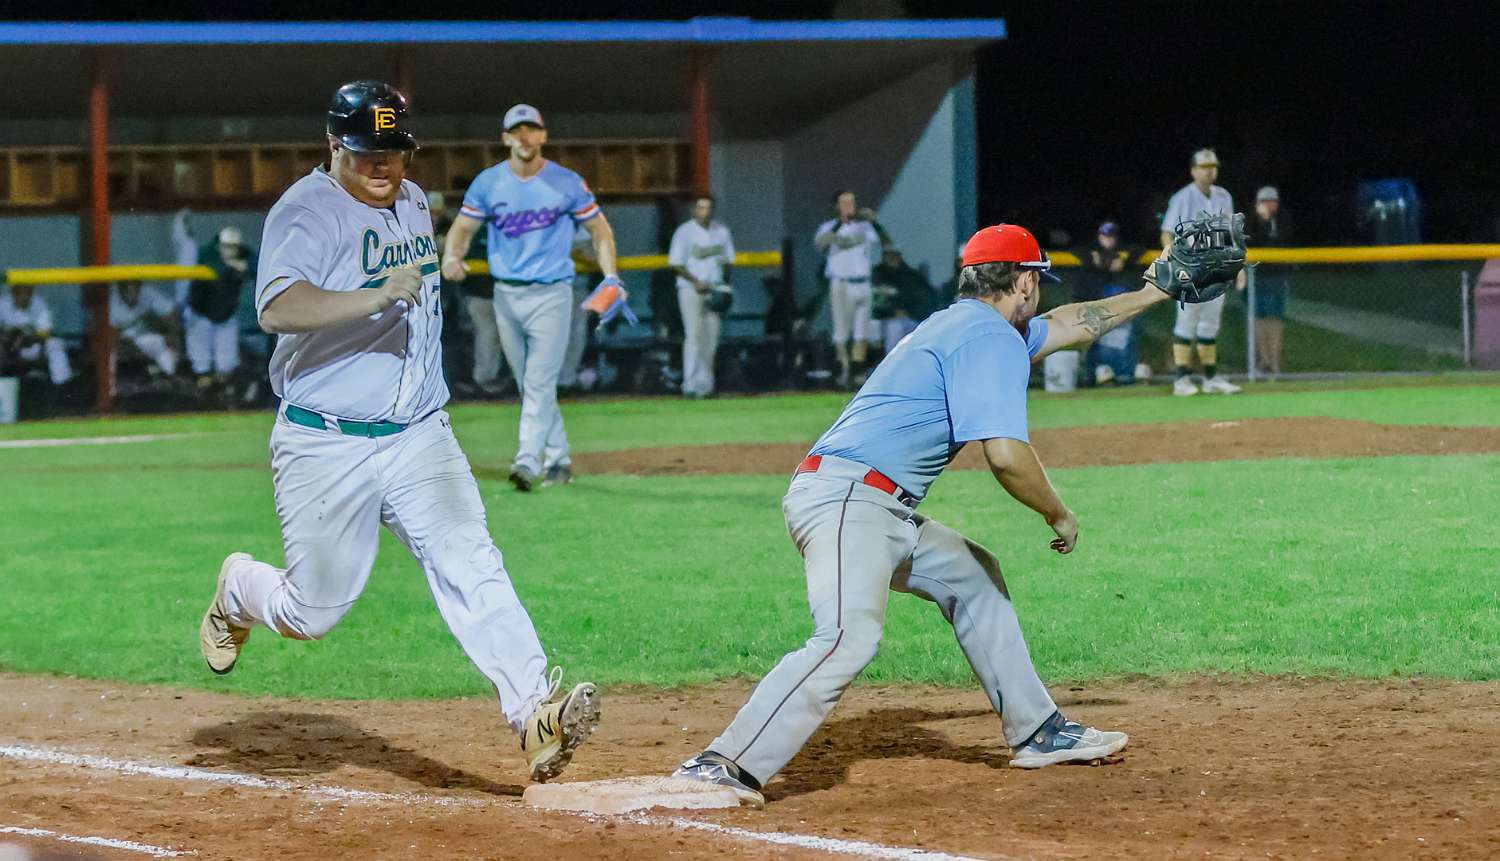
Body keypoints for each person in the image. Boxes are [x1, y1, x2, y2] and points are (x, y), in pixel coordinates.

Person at [672, 223, 1217, 805]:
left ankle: (1038, 730)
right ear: (1024, 281)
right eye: (1038, 281)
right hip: (850, 500)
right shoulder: (990, 337)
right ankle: (724, 762)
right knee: (847, 636)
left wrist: (1154, 291)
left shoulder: (964, 324)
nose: (1041, 295)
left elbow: (1072, 323)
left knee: (973, 574)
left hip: (870, 503)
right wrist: (1058, 513)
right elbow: (1005, 456)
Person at [197, 81, 599, 783]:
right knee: (312, 611)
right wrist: (373, 296)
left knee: (471, 560)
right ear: (333, 144)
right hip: (327, 442)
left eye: (393, 149)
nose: (381, 164)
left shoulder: (412, 199)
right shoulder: (305, 210)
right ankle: (238, 588)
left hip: (419, 433)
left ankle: (535, 710)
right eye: (365, 151)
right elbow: (277, 306)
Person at [442, 104, 620, 491]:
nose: (524, 137)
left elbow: (600, 230)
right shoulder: (489, 183)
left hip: (552, 292)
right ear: (506, 138)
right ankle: (559, 458)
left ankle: (527, 459)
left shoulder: (566, 182)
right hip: (506, 293)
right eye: (516, 130)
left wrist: (610, 275)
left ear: (543, 135)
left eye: (531, 129)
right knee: (529, 382)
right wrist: (452, 256)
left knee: (538, 380)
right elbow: (462, 228)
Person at [1160, 149, 1245, 396]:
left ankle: (1210, 379)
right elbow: (1167, 232)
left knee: (1210, 324)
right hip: (1190, 267)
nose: (1209, 171)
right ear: (1193, 171)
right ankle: (1181, 380)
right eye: (1204, 167)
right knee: (1186, 323)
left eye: (1213, 166)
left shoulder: (1223, 196)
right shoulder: (1182, 197)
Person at [814, 191, 889, 388]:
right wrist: (840, 223)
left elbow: (885, 242)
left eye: (852, 202)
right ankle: (843, 370)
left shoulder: (864, 227)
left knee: (861, 332)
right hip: (842, 283)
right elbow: (821, 244)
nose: (850, 206)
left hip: (863, 282)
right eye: (844, 203)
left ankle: (857, 373)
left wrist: (873, 221)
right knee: (841, 331)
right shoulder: (829, 227)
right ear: (836, 206)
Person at [175, 216, 257, 393]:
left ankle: (222, 393)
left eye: (234, 247)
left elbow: (257, 265)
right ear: (219, 244)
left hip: (226, 313)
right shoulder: (207, 252)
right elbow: (216, 267)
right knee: (201, 363)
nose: (230, 250)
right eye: (226, 246)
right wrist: (233, 266)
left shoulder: (244, 254)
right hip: (200, 312)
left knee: (226, 363)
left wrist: (243, 266)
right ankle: (202, 394)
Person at [669, 194, 736, 399]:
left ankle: (706, 386)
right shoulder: (684, 232)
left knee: (711, 338)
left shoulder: (721, 231)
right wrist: (696, 281)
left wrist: (724, 286)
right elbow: (676, 263)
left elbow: (728, 261)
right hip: (690, 289)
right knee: (693, 335)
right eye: (700, 207)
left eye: (708, 207)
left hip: (714, 289)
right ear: (693, 210)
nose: (705, 211)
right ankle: (690, 385)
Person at [1250, 186, 1293, 376]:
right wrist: (1263, 221)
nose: (1269, 205)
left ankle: (1274, 362)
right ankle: (1263, 360)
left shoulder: (1284, 218)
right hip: (1257, 276)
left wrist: (1270, 222)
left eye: (1272, 201)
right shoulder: (1252, 221)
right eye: (1265, 201)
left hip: (1278, 275)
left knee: (1275, 318)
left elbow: (1285, 240)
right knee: (1260, 318)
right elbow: (1252, 242)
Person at [0, 284, 73, 385]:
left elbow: (45, 332)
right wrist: (10, 337)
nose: (23, 296)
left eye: (27, 291)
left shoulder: (39, 303)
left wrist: (27, 338)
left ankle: (63, 384)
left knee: (55, 344)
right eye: (19, 292)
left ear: (32, 291)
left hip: (33, 345)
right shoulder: (3, 303)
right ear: (13, 292)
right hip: (10, 347)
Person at [108, 280, 180, 381]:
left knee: (165, 353)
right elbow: (108, 335)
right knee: (111, 357)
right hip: (120, 342)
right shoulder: (110, 300)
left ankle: (166, 378)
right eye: (126, 288)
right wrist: (125, 345)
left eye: (134, 288)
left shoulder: (147, 291)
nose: (131, 291)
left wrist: (173, 338)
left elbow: (170, 313)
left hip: (144, 338)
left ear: (139, 286)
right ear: (120, 288)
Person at [870, 246, 935, 355]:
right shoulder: (878, 275)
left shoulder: (911, 275)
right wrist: (892, 313)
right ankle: (891, 361)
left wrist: (909, 313)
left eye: (895, 255)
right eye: (889, 255)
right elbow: (877, 305)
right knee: (895, 328)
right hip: (885, 319)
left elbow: (924, 301)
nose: (892, 258)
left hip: (912, 317)